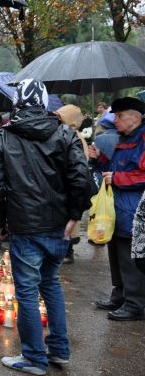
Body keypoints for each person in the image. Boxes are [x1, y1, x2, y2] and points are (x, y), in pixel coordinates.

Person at [0, 79, 91, 375]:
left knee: (29, 293)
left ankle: (34, 358)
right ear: (44, 102)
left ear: (17, 102)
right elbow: (82, 178)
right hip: (58, 227)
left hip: (25, 228)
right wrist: (74, 215)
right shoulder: (64, 134)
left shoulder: (3, 136)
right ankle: (59, 351)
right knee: (52, 286)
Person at [89, 97, 145, 321]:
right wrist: (99, 160)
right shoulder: (124, 138)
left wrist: (118, 178)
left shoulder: (142, 139)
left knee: (130, 256)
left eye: (120, 115)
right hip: (118, 207)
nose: (115, 119)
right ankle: (119, 295)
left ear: (135, 116)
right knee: (116, 254)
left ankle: (135, 304)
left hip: (135, 209)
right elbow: (112, 170)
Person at [56, 104, 90, 263]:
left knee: (70, 221)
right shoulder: (69, 135)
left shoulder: (75, 137)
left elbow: (78, 167)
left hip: (71, 186)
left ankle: (67, 252)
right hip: (68, 184)